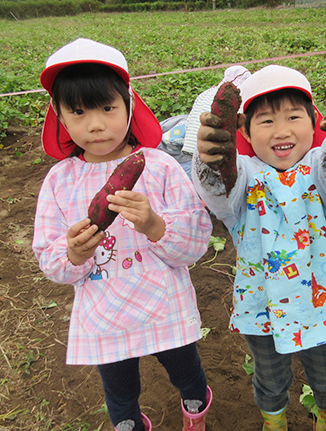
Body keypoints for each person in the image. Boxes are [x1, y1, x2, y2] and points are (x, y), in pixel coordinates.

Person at [32, 38, 214, 431]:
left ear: (130, 104)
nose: (95, 124)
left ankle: (195, 413)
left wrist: (154, 225)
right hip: (105, 319)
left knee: (187, 375)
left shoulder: (161, 167)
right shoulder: (60, 182)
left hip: (165, 309)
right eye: (78, 112)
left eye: (107, 108)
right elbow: (50, 260)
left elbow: (195, 243)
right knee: (119, 395)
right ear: (59, 118)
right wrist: (73, 254)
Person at [191, 65, 326, 431]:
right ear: (244, 131)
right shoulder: (244, 177)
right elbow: (217, 190)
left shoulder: (322, 173)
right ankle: (275, 424)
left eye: (293, 117)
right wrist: (212, 159)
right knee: (270, 382)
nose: (282, 131)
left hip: (320, 308)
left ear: (315, 121)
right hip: (262, 312)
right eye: (267, 121)